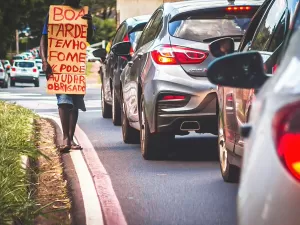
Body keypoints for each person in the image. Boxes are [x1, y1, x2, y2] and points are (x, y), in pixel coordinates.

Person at [40, 0, 93, 152]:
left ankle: (70, 137)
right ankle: (65, 138)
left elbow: (87, 39)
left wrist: (89, 23)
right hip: (58, 64)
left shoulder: (84, 14)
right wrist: (45, 60)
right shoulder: (54, 14)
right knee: (64, 100)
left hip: (75, 63)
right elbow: (44, 38)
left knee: (75, 103)